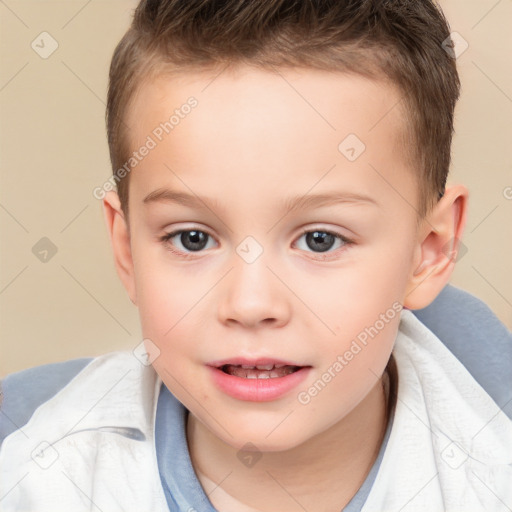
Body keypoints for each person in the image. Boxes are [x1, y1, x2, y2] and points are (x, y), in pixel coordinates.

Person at [1, 1, 511, 511]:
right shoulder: (28, 467)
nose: (250, 304)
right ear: (127, 249)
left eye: (320, 240)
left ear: (429, 251)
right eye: (192, 238)